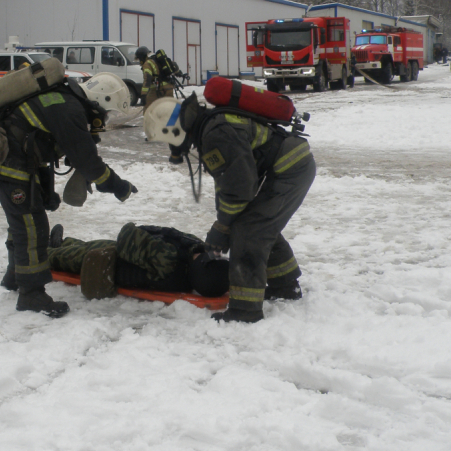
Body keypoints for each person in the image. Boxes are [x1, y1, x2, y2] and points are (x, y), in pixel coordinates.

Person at [143, 94, 314, 324]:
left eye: (169, 141)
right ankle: (285, 286)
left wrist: (223, 227)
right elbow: (227, 183)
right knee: (258, 223)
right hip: (291, 164)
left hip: (291, 169)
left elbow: (240, 188)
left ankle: (245, 311)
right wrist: (223, 223)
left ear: (174, 131)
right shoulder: (209, 125)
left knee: (250, 231)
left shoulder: (215, 134)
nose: (172, 147)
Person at [0, 72, 137, 317]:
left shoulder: (65, 100)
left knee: (22, 221)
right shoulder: (70, 110)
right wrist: (118, 186)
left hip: (15, 160)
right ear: (102, 99)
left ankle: (15, 276)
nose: (105, 118)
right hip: (9, 162)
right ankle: (31, 294)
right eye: (107, 112)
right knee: (31, 225)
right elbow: (89, 162)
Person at [47, 222, 230, 298]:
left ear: (199, 266)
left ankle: (41, 253)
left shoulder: (168, 258)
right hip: (126, 257)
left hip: (107, 263)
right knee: (89, 245)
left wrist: (144, 229)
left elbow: (126, 236)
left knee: (66, 257)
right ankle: (63, 243)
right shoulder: (184, 268)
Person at [136, 46, 183, 165]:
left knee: (148, 111)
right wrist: (181, 74)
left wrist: (143, 94)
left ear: (142, 57)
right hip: (168, 87)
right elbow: (174, 67)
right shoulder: (158, 60)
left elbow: (147, 79)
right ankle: (173, 131)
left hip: (155, 89)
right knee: (170, 110)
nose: (139, 62)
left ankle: (151, 133)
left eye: (139, 59)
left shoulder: (147, 63)